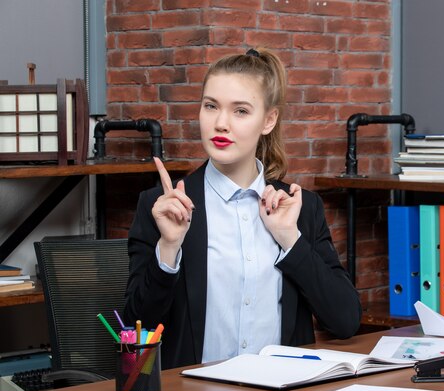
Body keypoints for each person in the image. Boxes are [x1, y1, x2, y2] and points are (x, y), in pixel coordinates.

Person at [123, 48, 362, 370]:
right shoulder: (164, 206)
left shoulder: (300, 207)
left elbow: (345, 321)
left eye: (240, 111)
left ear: (269, 120)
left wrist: (290, 238)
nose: (220, 123)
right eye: (211, 106)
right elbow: (136, 326)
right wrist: (168, 247)